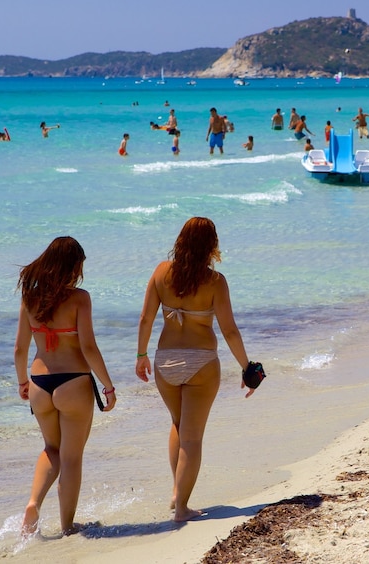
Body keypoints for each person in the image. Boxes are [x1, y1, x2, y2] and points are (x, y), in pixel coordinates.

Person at [135, 217, 256, 523]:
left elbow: (146, 319)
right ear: (211, 246)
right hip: (201, 362)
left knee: (177, 425)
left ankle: (177, 493)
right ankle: (181, 508)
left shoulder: (161, 272)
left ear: (180, 241)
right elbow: (229, 331)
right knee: (192, 438)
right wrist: (248, 368)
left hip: (165, 361)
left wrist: (141, 355)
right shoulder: (215, 282)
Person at [14, 237, 116, 537]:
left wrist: (22, 382)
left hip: (39, 382)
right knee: (71, 457)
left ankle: (34, 502)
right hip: (73, 382)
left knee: (50, 449)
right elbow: (89, 348)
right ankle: (68, 526)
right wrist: (108, 387)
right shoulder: (80, 299)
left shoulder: (29, 299)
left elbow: (20, 349)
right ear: (72, 266)